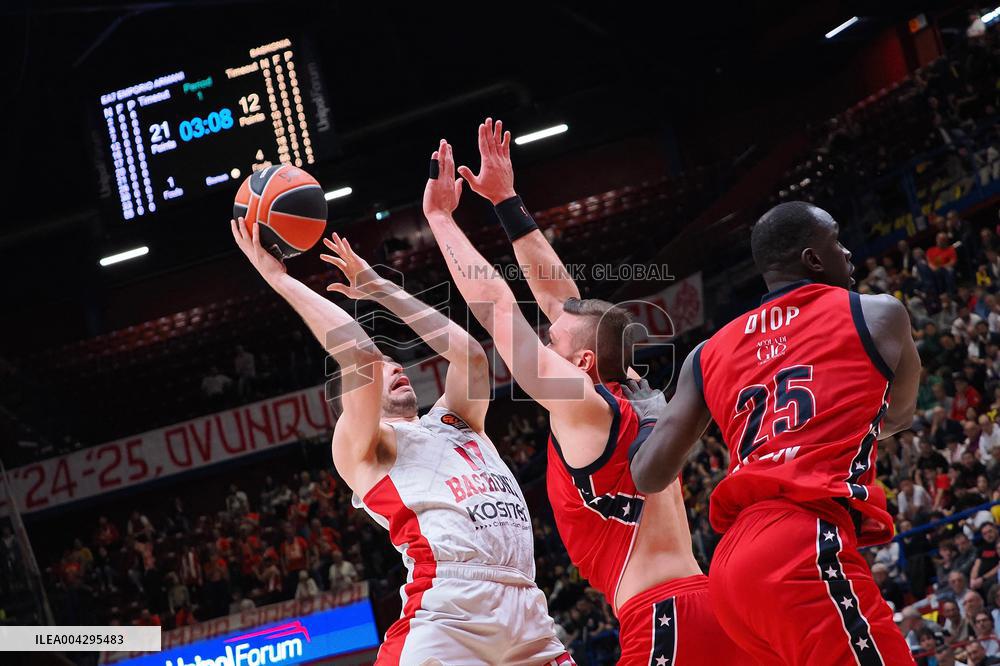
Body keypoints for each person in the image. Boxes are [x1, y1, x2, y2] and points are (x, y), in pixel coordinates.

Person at [427, 122, 749, 664]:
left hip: (664, 617)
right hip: (705, 604)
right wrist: (507, 201)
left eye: (551, 343)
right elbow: (566, 305)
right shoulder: (628, 390)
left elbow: (501, 311)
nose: (544, 340)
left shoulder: (585, 405)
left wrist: (440, 218)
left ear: (581, 364)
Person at [231, 218, 571, 665]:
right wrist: (281, 280)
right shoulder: (366, 447)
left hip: (526, 603)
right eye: (386, 368)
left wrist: (378, 288)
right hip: (449, 608)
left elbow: (468, 352)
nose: (396, 368)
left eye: (399, 363)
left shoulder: (455, 419)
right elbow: (362, 357)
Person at [632, 201, 921, 664]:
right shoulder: (879, 313)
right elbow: (898, 415)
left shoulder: (705, 354)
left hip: (729, 571)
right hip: (803, 542)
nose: (847, 252)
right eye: (837, 241)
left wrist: (648, 411)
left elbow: (647, 474)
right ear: (813, 259)